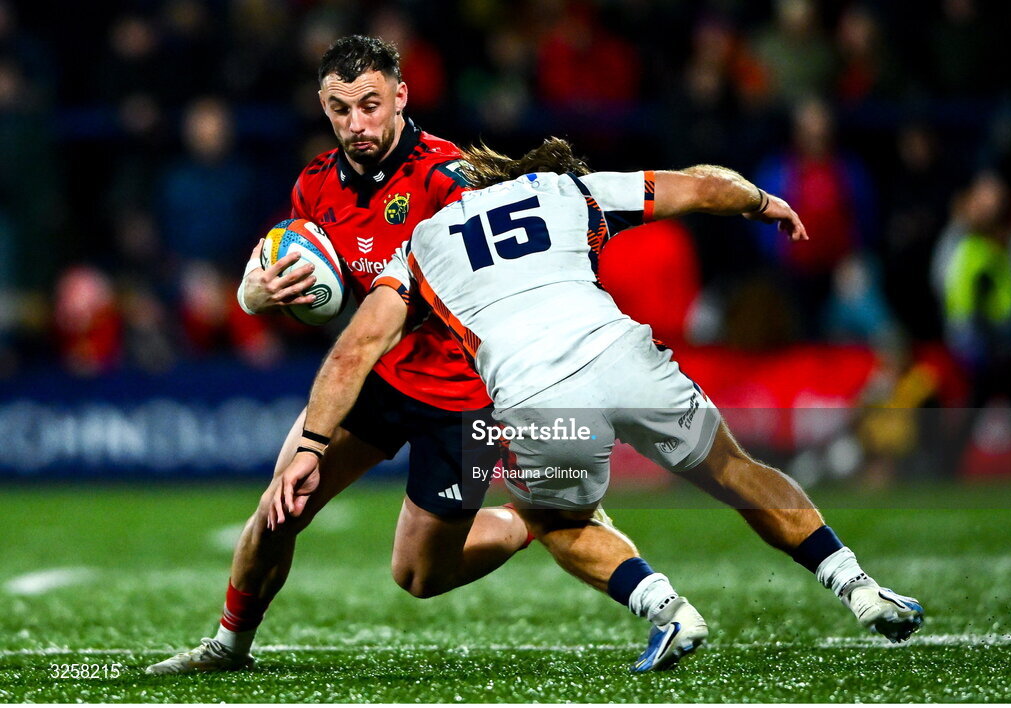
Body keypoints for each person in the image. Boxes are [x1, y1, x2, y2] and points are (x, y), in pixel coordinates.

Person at [271, 139, 926, 671]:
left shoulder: (423, 242)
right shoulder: (570, 191)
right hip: (624, 357)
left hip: (536, 398)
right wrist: (760, 201)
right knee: (733, 470)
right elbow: (700, 184)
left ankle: (667, 608)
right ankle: (859, 586)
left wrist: (312, 445)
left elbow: (357, 347)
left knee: (556, 519)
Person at [147, 35, 609, 675]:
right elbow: (312, 282)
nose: (356, 124)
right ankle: (229, 646)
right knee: (279, 507)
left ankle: (529, 515)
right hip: (379, 376)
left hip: (461, 391)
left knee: (421, 575)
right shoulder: (313, 185)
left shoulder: (453, 180)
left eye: (370, 105)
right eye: (340, 109)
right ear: (322, 105)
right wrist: (255, 293)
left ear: (401, 95)